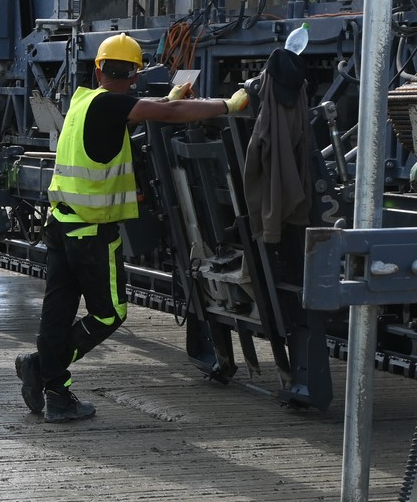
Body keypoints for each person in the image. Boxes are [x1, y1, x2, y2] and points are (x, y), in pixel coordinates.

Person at [16, 34, 249, 421]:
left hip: (61, 225)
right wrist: (227, 104)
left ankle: (56, 393)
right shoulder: (112, 105)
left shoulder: (82, 100)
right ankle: (44, 367)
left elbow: (144, 109)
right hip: (91, 234)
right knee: (109, 314)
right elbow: (163, 115)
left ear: (97, 70)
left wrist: (172, 97)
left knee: (56, 312)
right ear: (136, 76)